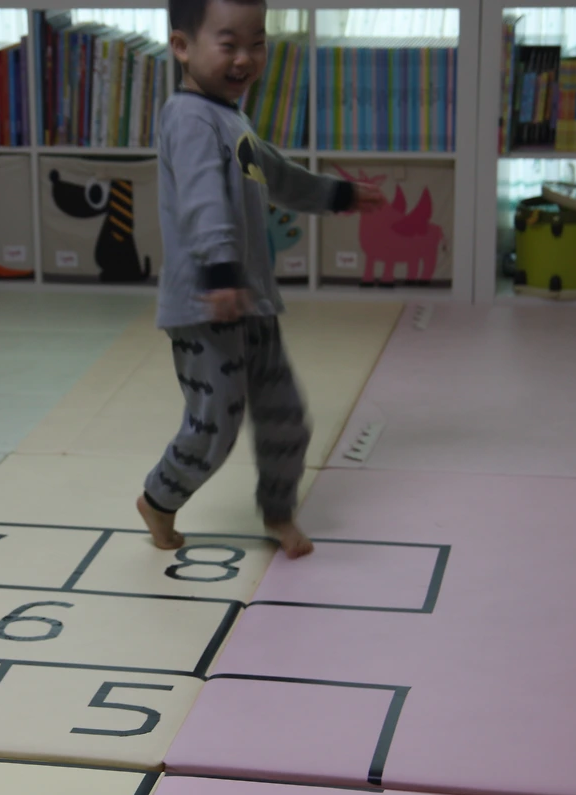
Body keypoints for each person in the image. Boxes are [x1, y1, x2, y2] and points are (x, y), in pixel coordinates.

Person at [136, 0, 383, 558]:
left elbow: (280, 177)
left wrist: (338, 194)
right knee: (214, 427)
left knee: (286, 418)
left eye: (257, 43)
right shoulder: (188, 119)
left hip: (252, 302)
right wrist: (221, 272)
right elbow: (201, 199)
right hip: (205, 306)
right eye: (228, 44)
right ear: (182, 47)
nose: (245, 58)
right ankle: (159, 498)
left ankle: (278, 511)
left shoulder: (231, 118)